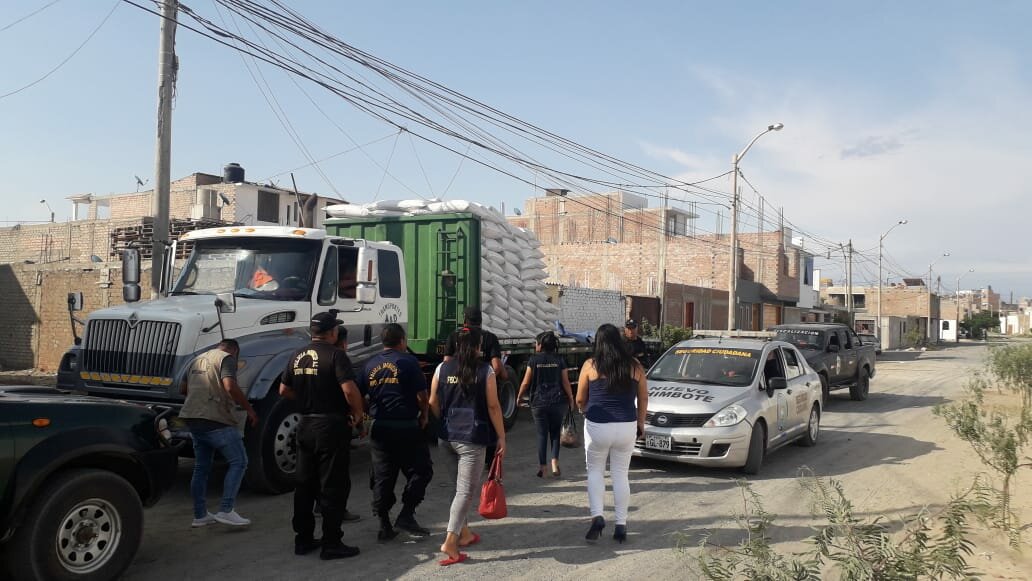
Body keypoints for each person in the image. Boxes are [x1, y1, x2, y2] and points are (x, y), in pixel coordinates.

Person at [279, 313, 366, 560]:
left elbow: (284, 390)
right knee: (332, 486)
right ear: (332, 333)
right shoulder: (336, 355)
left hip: (305, 425)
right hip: (331, 426)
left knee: (304, 485)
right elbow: (349, 391)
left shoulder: (297, 355)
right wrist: (358, 414)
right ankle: (331, 543)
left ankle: (303, 539)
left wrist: (308, 402)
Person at [429, 327, 507, 566]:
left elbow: (433, 401)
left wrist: (443, 421)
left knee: (457, 488)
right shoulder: (485, 371)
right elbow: (494, 407)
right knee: (464, 492)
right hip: (472, 439)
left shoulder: (442, 368)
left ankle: (464, 533)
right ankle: (451, 540)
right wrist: (501, 437)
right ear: (476, 347)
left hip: (447, 437)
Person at [360, 324, 434, 542]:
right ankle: (406, 513)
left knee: (383, 477)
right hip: (406, 427)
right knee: (422, 471)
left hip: (380, 427)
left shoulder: (370, 364)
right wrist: (425, 415)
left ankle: (384, 525)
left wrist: (368, 413)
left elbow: (356, 395)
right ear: (402, 341)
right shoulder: (408, 362)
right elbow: (422, 396)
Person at [576, 323, 649, 544]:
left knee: (595, 472)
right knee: (620, 474)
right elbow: (644, 397)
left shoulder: (590, 365)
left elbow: (580, 398)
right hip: (626, 426)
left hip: (598, 426)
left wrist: (583, 410)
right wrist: (641, 423)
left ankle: (597, 516)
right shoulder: (635, 366)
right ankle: (621, 525)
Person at [179, 339, 258, 528]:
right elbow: (230, 386)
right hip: (215, 419)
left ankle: (200, 515)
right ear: (235, 350)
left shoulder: (196, 359)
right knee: (239, 461)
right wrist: (249, 409)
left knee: (201, 467)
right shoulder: (227, 358)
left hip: (192, 418)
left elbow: (183, 388)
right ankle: (226, 509)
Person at [444, 306, 507, 463]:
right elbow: (497, 367)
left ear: (464, 320)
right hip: (483, 390)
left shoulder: (454, 336)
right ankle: (489, 462)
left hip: (459, 390)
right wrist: (484, 380)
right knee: (488, 423)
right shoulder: (489, 338)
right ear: (480, 319)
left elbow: (446, 363)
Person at [516, 331, 574, 478]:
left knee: (542, 434)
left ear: (541, 345)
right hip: (558, 402)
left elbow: (526, 382)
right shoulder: (560, 360)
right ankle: (555, 462)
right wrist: (571, 399)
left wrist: (519, 396)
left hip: (538, 403)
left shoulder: (533, 361)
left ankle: (543, 467)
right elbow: (566, 382)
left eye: (537, 342)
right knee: (555, 433)